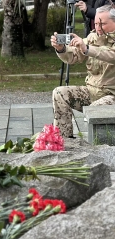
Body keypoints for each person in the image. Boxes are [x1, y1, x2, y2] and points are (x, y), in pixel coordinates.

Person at [51, 4, 115, 138]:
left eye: (102, 23)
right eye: (96, 23)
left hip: (112, 96)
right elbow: (73, 56)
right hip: (92, 92)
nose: (98, 27)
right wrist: (61, 49)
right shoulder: (92, 38)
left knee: (95, 109)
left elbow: (111, 55)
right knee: (59, 93)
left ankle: (98, 146)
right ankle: (64, 140)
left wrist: (87, 49)